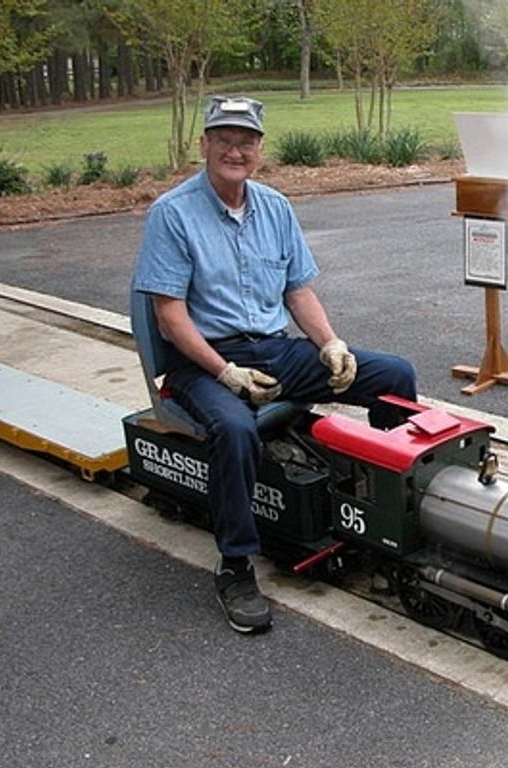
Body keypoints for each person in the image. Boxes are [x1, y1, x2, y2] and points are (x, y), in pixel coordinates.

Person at [132, 95, 417, 634]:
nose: (234, 151)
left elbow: (297, 291)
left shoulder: (275, 207)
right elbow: (170, 317)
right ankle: (236, 564)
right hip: (203, 362)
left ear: (259, 149)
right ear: (204, 145)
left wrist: (331, 344)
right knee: (236, 429)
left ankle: (385, 513)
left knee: (393, 375)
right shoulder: (172, 214)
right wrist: (225, 372)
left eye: (246, 142)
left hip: (275, 350)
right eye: (224, 140)